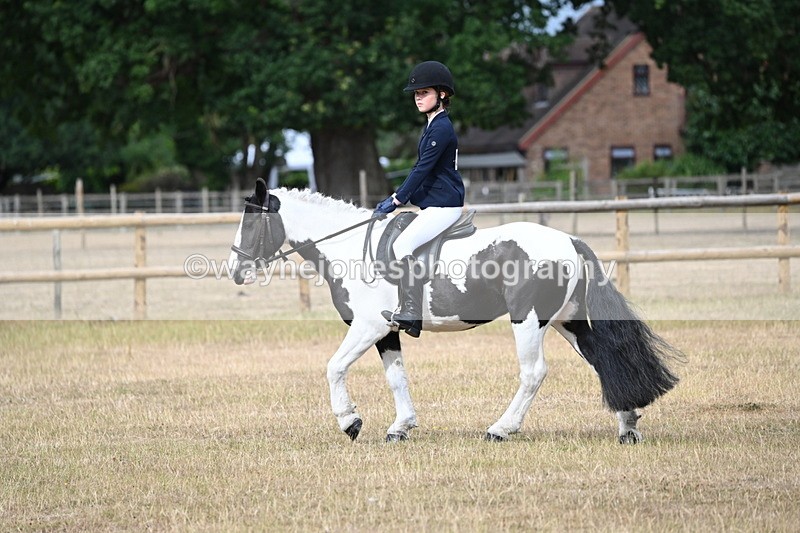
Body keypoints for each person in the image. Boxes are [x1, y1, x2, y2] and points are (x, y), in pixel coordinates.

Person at [373, 60, 465, 338]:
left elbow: (422, 169)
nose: (418, 98)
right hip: (433, 203)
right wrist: (397, 197)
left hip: (445, 205)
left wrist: (398, 199)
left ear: (442, 95)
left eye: (424, 93)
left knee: (403, 244)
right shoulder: (431, 125)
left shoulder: (441, 128)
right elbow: (419, 168)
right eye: (416, 93)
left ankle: (411, 313)